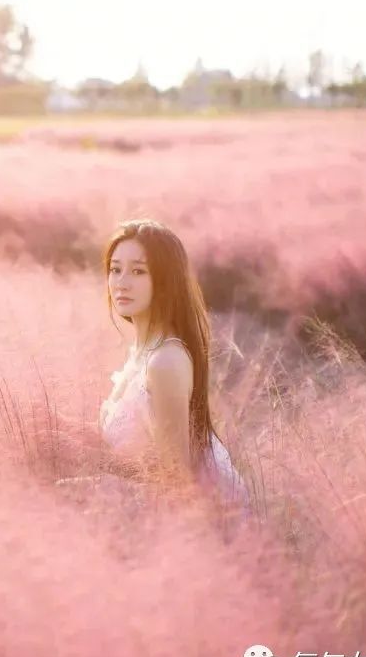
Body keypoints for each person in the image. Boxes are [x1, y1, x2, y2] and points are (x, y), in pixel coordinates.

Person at [97, 219, 251, 513]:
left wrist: (98, 486)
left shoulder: (165, 361)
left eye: (138, 271)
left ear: (165, 281)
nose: (122, 282)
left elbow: (177, 484)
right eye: (115, 269)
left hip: (195, 527)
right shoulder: (142, 352)